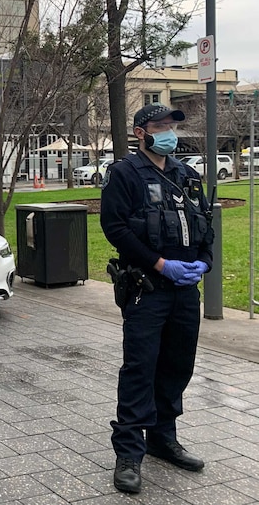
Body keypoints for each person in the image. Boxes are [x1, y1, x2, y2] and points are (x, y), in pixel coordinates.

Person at [100, 103, 214, 494]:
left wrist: (205, 262)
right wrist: (160, 264)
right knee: (140, 369)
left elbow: (205, 226)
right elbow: (114, 228)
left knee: (177, 367)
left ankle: (163, 439)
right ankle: (129, 453)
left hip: (185, 291)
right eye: (160, 125)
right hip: (146, 289)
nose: (168, 132)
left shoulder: (187, 175)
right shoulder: (125, 174)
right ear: (140, 132)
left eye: (172, 126)